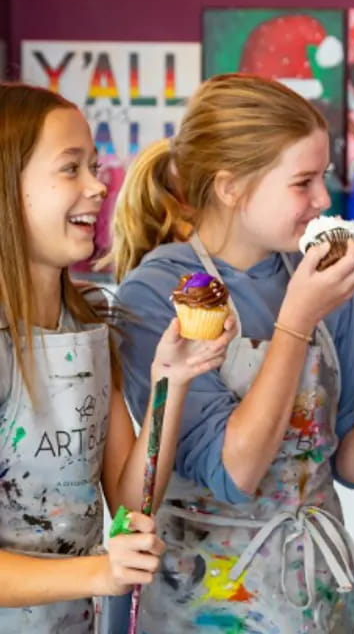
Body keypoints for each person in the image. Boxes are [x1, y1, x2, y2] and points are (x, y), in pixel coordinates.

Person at [111, 74, 354, 632]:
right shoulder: (162, 293)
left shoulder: (316, 279)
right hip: (206, 600)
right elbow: (235, 472)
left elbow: (347, 469)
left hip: (317, 596)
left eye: (322, 177)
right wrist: (296, 320)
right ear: (231, 187)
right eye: (302, 182)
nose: (324, 200)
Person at [0, 83, 233, 632]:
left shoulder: (90, 329)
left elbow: (131, 503)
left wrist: (167, 385)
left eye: (95, 166)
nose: (98, 186)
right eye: (70, 168)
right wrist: (100, 574)